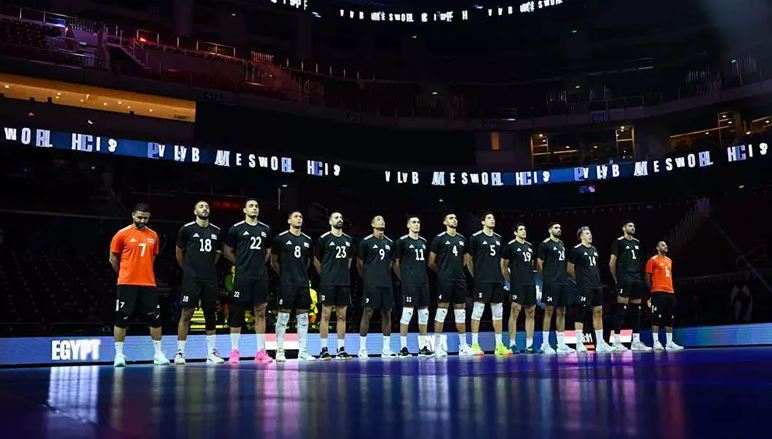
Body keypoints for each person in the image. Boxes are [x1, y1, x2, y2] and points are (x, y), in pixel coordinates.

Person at [108, 203, 169, 367]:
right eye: (140, 217)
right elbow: (113, 259)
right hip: (127, 283)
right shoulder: (122, 234)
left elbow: (152, 258)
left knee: (155, 319)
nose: (142, 220)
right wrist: (124, 274)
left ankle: (158, 354)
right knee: (121, 318)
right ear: (133, 215)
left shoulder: (154, 235)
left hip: (148, 284)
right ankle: (119, 355)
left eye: (146, 218)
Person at [223, 199, 273, 364]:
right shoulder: (236, 228)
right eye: (251, 206)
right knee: (237, 313)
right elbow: (227, 251)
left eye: (257, 206)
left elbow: (268, 251)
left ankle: (261, 351)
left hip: (260, 277)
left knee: (260, 312)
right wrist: (241, 265)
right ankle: (234, 351)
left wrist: (259, 265)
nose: (254, 208)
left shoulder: (265, 229)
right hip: (243, 277)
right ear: (244, 210)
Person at [174, 201, 224, 365]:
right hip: (192, 279)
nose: (205, 209)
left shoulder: (216, 230)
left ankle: (211, 353)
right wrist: (188, 269)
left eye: (207, 207)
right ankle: (180, 352)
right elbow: (179, 252)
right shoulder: (186, 229)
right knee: (186, 313)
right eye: (201, 206)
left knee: (210, 314)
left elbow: (217, 255)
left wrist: (206, 268)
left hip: (210, 278)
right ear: (195, 211)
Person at [271, 211, 315, 362]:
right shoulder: (280, 238)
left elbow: (307, 262)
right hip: (286, 283)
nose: (299, 218)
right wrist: (284, 275)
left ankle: (303, 351)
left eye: (301, 216)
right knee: (283, 317)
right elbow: (274, 261)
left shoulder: (308, 240)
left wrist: (300, 275)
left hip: (302, 283)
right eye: (295, 216)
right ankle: (279, 351)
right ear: (289, 220)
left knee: (303, 317)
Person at [428, 213, 473, 357]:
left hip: (459, 280)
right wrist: (442, 273)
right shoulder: (439, 239)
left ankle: (463, 346)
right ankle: (437, 347)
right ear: (444, 222)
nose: (454, 220)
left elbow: (466, 259)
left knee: (461, 313)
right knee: (441, 311)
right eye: (451, 218)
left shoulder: (462, 239)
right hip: (445, 280)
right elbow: (431, 262)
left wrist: (458, 271)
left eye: (455, 218)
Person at [466, 212, 510, 356]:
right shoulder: (476, 237)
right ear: (483, 222)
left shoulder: (498, 238)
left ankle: (499, 345)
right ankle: (474, 345)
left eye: (493, 218)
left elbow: (501, 261)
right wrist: (477, 277)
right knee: (478, 311)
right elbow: (469, 260)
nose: (492, 220)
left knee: (498, 312)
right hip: (482, 280)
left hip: (497, 280)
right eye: (489, 218)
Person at [314, 212, 354, 360]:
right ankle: (324, 349)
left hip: (343, 282)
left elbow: (349, 260)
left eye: (341, 217)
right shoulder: (324, 239)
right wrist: (325, 276)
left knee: (342, 316)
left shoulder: (348, 239)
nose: (339, 219)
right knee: (325, 315)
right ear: (330, 221)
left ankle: (341, 349)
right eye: (336, 217)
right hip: (328, 282)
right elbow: (316, 260)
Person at [567, 227, 614, 353]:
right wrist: (580, 281)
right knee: (581, 312)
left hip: (596, 286)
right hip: (584, 286)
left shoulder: (594, 250)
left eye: (590, 233)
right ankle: (579, 343)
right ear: (581, 236)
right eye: (587, 233)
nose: (590, 235)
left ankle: (600, 343)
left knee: (598, 312)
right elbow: (570, 269)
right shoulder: (576, 250)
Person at [357, 216, 398, 359]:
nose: (382, 221)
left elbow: (391, 263)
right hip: (371, 284)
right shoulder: (366, 242)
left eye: (383, 220)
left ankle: (386, 349)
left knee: (387, 313)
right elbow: (359, 263)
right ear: (372, 224)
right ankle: (362, 349)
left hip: (386, 284)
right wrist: (368, 278)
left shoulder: (390, 242)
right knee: (367, 312)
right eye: (378, 220)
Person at [609, 221, 652, 352]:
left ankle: (636, 341)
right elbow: (612, 263)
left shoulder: (637, 243)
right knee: (621, 309)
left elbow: (639, 262)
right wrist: (617, 280)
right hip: (624, 278)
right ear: (623, 228)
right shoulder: (618, 242)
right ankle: (616, 341)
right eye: (630, 226)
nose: (633, 228)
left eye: (633, 226)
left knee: (636, 310)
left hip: (636, 279)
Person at [394, 216, 433, 357]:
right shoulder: (402, 241)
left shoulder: (423, 241)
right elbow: (396, 264)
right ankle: (403, 348)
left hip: (423, 282)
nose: (417, 224)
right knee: (407, 313)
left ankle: (423, 347)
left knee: (424, 314)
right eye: (414, 222)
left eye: (418, 222)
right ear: (408, 225)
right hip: (409, 283)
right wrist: (404, 279)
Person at [501, 223, 538, 354]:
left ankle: (529, 345)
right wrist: (511, 281)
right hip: (517, 283)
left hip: (530, 283)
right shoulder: (510, 246)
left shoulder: (529, 246)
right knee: (515, 311)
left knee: (531, 311)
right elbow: (503, 265)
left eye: (524, 229)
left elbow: (532, 264)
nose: (524, 231)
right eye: (521, 229)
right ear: (515, 232)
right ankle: (512, 343)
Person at [537, 223, 574, 354]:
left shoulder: (562, 244)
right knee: (549, 311)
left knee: (562, 311)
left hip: (563, 281)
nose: (559, 229)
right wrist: (545, 280)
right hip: (551, 282)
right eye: (556, 228)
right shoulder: (545, 244)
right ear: (550, 230)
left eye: (559, 228)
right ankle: (545, 344)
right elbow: (539, 263)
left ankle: (561, 344)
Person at [646, 241, 684, 351]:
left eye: (666, 245)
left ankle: (669, 343)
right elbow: (647, 277)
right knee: (656, 317)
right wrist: (651, 291)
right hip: (658, 292)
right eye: (663, 245)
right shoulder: (653, 260)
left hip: (670, 292)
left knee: (669, 317)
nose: (665, 246)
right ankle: (656, 342)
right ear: (657, 248)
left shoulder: (669, 260)